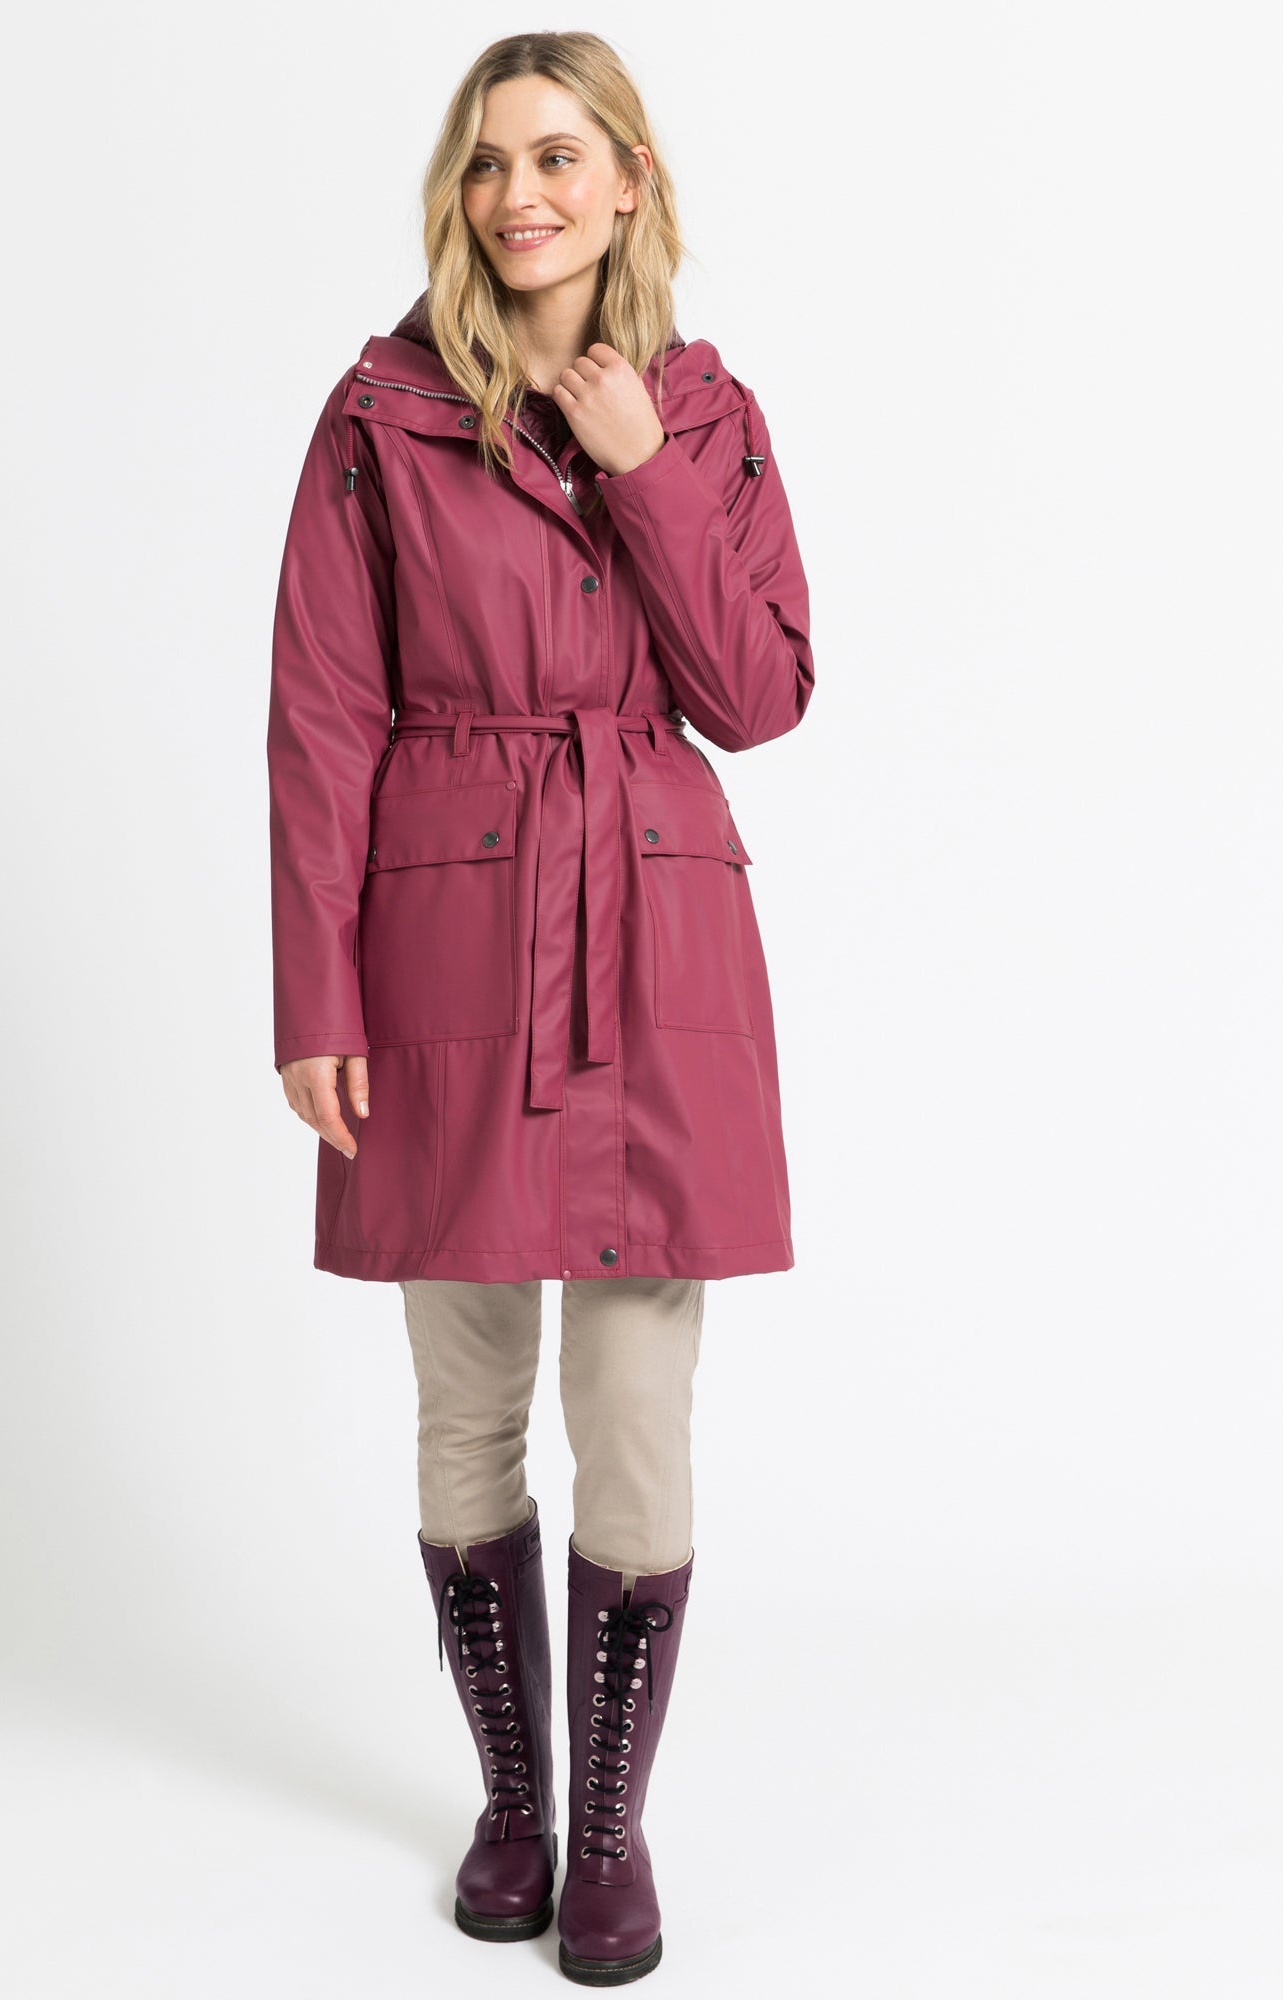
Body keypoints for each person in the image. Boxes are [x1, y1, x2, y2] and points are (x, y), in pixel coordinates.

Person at [265, 30, 813, 1987]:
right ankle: (516, 1798)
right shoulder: (380, 417)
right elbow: (322, 716)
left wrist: (644, 472)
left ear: (629, 179)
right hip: (448, 941)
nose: (521, 195)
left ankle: (612, 1826)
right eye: (491, 161)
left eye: (560, 156)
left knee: (637, 1422)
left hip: (651, 937)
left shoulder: (708, 415)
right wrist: (314, 992)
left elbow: (757, 695)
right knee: (466, 1406)